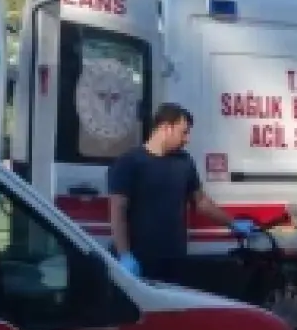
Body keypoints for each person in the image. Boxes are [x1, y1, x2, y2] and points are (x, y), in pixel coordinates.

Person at [108, 103, 254, 280]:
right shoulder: (129, 162)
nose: (187, 139)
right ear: (166, 128)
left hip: (174, 259)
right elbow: (118, 211)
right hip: (139, 260)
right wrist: (124, 255)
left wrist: (233, 223)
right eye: (184, 132)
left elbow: (201, 202)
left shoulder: (184, 162)